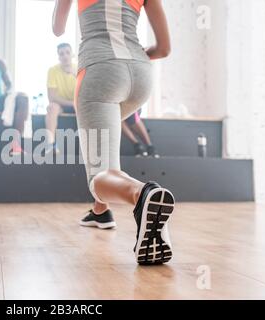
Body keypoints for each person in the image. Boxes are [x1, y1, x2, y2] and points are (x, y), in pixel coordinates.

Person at [53, 0, 175, 265]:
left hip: (100, 72)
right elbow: (164, 48)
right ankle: (101, 212)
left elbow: (58, 28)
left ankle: (142, 195)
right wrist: (136, 56)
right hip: (141, 75)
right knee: (105, 147)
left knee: (98, 177)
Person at [46, 43, 77, 154]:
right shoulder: (53, 70)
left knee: (88, 109)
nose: (65, 56)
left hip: (78, 105)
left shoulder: (79, 69)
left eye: (67, 53)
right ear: (58, 56)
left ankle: (91, 146)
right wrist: (71, 103)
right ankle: (50, 145)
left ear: (72, 55)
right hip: (63, 105)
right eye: (62, 54)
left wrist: (75, 75)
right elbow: (52, 97)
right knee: (51, 107)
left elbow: (88, 93)